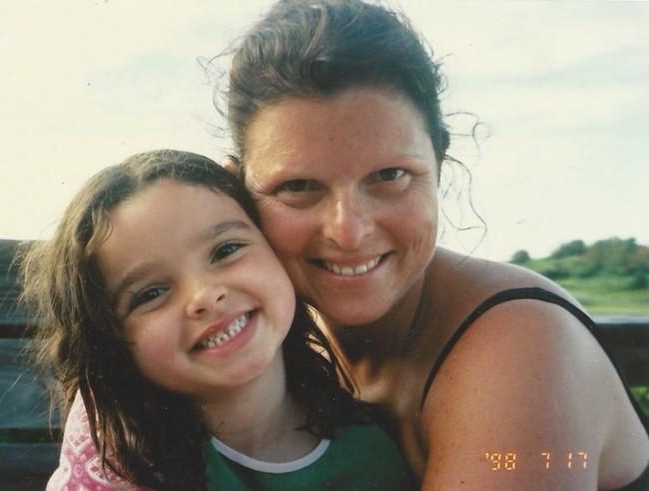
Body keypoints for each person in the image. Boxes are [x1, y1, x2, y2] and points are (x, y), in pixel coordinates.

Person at [219, 0, 649, 490]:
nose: (348, 231)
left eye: (389, 176)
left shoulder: (524, 346)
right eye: (298, 187)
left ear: (440, 164)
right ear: (239, 193)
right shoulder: (284, 330)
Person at [18, 149, 411, 490]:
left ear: (274, 246)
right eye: (151, 293)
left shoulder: (369, 460)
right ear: (112, 341)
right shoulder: (117, 450)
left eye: (226, 250)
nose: (204, 296)